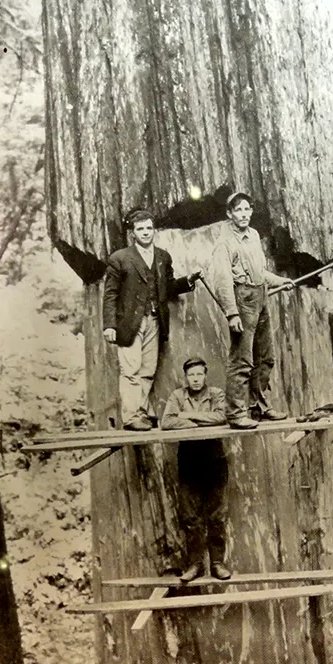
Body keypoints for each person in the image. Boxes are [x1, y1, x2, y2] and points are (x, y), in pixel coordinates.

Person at [102, 209, 202, 430]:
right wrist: (109, 325)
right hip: (128, 323)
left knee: (147, 369)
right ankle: (131, 417)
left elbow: (167, 286)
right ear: (133, 233)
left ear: (154, 230)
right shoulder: (120, 258)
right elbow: (110, 294)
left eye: (149, 228)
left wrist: (187, 281)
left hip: (155, 319)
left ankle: (141, 412)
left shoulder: (163, 257)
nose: (145, 233)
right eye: (140, 229)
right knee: (130, 369)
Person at [206, 191, 295, 429]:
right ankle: (236, 413)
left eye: (247, 209)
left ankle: (259, 407)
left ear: (251, 212)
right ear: (229, 214)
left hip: (261, 296)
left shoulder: (254, 236)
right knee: (242, 360)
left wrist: (280, 281)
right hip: (242, 300)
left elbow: (260, 272)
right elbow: (223, 280)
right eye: (238, 210)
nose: (243, 214)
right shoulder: (225, 243)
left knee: (265, 357)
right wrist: (232, 313)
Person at [161, 358, 230, 582]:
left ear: (205, 375)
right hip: (189, 462)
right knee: (191, 517)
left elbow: (221, 417)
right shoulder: (177, 396)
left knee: (217, 515)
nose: (196, 379)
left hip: (214, 460)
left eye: (199, 375)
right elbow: (167, 422)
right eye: (192, 376)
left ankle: (217, 564)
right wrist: (197, 423)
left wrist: (187, 416)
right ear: (186, 378)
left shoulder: (216, 394)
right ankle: (195, 564)